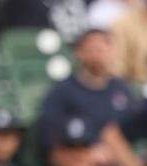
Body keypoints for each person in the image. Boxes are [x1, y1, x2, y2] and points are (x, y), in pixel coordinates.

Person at [38, 27, 137, 157]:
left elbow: (134, 129)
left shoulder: (121, 88)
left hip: (119, 158)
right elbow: (50, 140)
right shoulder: (63, 91)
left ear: (113, 52)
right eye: (92, 50)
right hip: (80, 156)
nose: (97, 56)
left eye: (102, 50)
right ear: (79, 53)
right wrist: (90, 153)